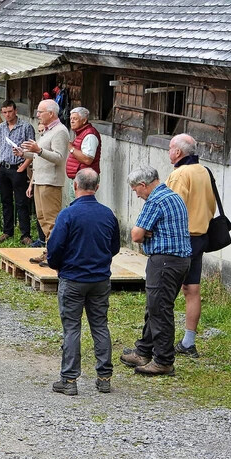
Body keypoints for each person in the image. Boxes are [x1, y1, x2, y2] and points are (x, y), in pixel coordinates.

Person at [46, 169, 120, 396]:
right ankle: (104, 377)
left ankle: (69, 380)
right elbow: (114, 247)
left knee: (71, 328)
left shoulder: (67, 215)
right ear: (96, 188)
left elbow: (54, 248)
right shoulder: (108, 214)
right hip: (99, 279)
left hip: (73, 278)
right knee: (100, 326)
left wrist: (57, 265)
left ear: (75, 186)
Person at [121, 166, 191, 376]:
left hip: (164, 262)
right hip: (180, 261)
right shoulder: (173, 195)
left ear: (143, 185)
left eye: (136, 190)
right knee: (155, 306)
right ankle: (143, 350)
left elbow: (135, 234)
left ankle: (163, 360)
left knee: (159, 310)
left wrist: (146, 233)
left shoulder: (155, 201)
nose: (137, 194)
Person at [165, 134, 216, 358]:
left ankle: (157, 342)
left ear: (178, 152)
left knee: (164, 291)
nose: (169, 152)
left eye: (170, 148)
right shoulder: (204, 170)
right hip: (201, 235)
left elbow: (171, 209)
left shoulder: (180, 174)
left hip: (181, 238)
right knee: (192, 289)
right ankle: (188, 341)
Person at [18, 99, 69, 266]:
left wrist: (38, 150)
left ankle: (55, 255)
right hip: (40, 179)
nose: (38, 115)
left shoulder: (60, 131)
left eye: (40, 112)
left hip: (51, 181)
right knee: (41, 218)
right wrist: (23, 154)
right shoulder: (47, 131)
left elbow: (59, 158)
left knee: (51, 220)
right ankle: (49, 250)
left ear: (51, 113)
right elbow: (38, 155)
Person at [0, 100, 35, 245]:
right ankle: (7, 231)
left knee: (22, 202)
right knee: (6, 201)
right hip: (3, 168)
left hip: (18, 167)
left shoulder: (26, 127)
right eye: (4, 112)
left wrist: (24, 166)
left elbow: (33, 150)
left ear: (15, 111)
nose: (7, 115)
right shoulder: (0, 128)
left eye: (9, 111)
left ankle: (25, 234)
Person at [66, 107, 101, 180]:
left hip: (86, 179)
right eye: (71, 119)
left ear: (84, 120)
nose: (72, 121)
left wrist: (71, 148)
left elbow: (87, 159)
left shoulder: (90, 135)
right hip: (80, 177)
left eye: (75, 119)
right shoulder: (81, 133)